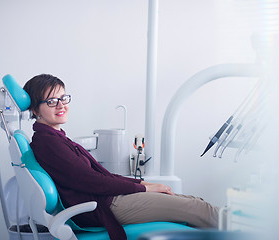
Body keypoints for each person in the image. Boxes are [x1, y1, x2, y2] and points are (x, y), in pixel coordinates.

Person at [23, 74, 219, 240]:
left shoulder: (56, 138)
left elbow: (103, 176)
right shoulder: (48, 143)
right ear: (34, 109)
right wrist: (143, 187)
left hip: (109, 199)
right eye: (51, 101)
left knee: (196, 203)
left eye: (63, 98)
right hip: (105, 206)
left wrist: (143, 183)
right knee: (198, 210)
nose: (61, 105)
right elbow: (91, 181)